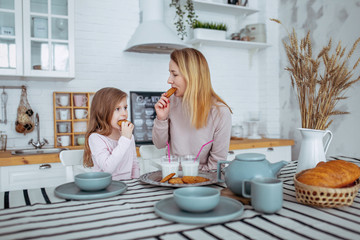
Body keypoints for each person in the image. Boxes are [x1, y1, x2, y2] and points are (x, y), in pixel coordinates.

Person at [152, 48, 232, 171]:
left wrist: (191, 178)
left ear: (192, 76)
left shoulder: (220, 112)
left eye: (175, 74)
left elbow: (217, 166)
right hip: (172, 175)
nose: (169, 80)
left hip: (204, 180)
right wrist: (161, 119)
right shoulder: (171, 102)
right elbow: (159, 144)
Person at [83, 87, 140, 180]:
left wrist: (136, 183)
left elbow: (134, 165)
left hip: (128, 187)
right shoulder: (96, 138)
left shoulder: (129, 136)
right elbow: (107, 168)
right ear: (103, 112)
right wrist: (125, 139)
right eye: (117, 109)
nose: (124, 113)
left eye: (125, 108)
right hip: (105, 188)